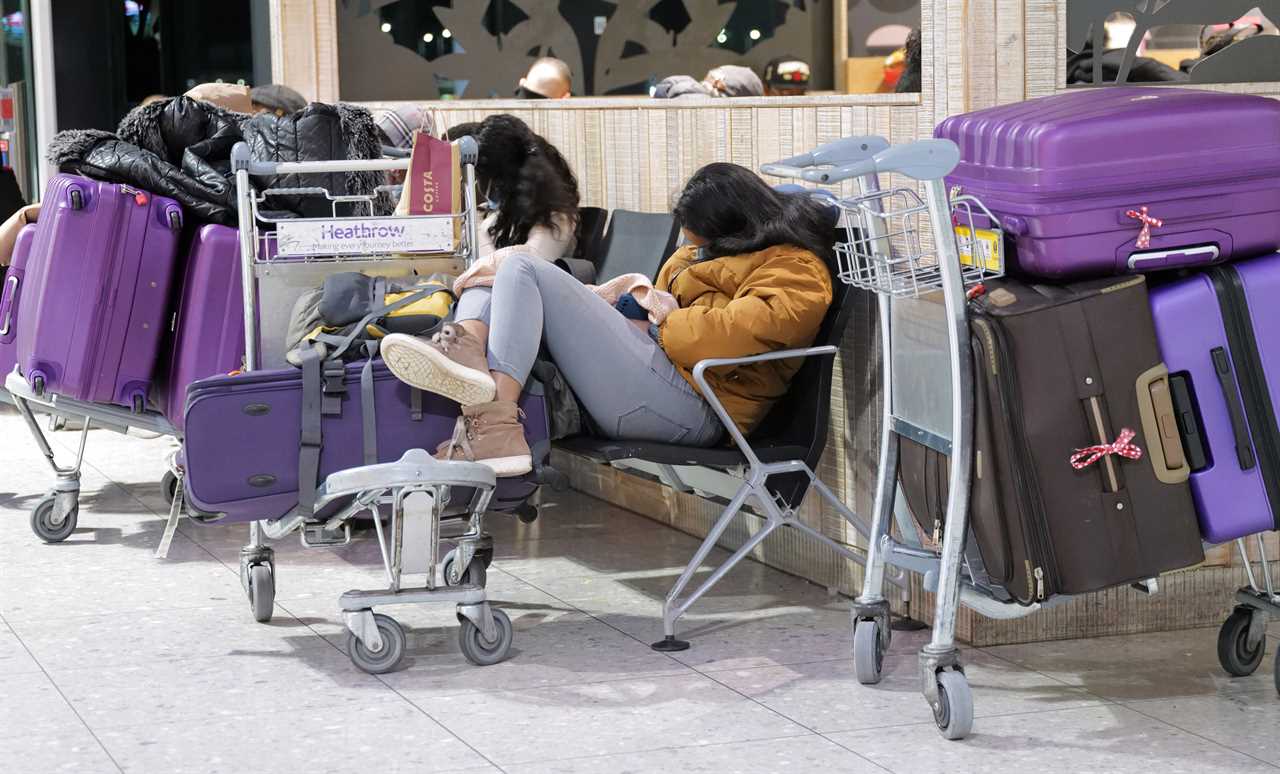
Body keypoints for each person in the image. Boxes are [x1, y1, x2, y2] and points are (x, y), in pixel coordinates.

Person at [378, 163, 835, 476]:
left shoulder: (796, 271)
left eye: (701, 239)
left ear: (736, 227)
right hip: (658, 375)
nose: (693, 247)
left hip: (698, 408)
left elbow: (729, 336)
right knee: (497, 269)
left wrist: (660, 324)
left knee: (521, 266)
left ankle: (496, 421)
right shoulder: (709, 252)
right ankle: (466, 348)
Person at [469, 114, 579, 261]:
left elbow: (518, 270)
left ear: (498, 180)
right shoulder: (499, 214)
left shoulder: (556, 220)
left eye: (477, 174)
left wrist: (473, 228)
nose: (476, 183)